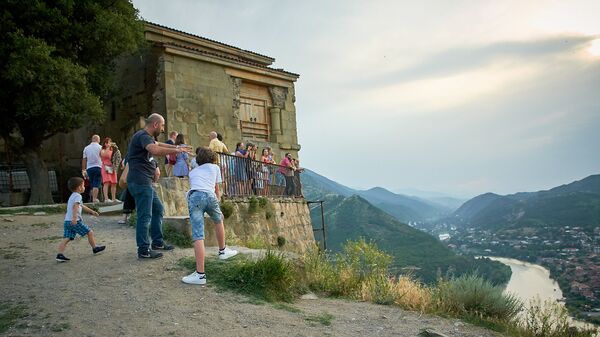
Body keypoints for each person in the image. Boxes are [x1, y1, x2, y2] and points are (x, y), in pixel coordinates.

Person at [127, 113, 191, 259]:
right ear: (155, 124)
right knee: (145, 215)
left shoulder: (146, 137)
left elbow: (159, 145)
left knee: (158, 209)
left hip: (145, 181)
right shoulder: (142, 136)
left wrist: (177, 148)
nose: (163, 129)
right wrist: (176, 150)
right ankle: (143, 250)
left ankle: (157, 242)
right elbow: (155, 150)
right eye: (162, 125)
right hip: (140, 181)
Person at [182, 147, 238, 285]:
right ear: (213, 158)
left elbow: (197, 184)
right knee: (219, 220)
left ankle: (200, 275)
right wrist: (217, 207)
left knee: (198, 234)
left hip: (195, 196)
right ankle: (223, 251)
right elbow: (216, 189)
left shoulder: (193, 172)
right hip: (210, 196)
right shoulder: (215, 168)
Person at [56, 177, 105, 262]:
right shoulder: (78, 196)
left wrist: (92, 211)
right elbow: (75, 206)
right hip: (75, 221)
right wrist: (75, 218)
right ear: (79, 187)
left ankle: (59, 254)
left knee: (67, 238)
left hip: (67, 221)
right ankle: (95, 248)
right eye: (83, 185)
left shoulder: (72, 196)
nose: (84, 187)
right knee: (90, 232)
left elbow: (82, 206)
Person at [82, 135, 102, 203]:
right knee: (96, 183)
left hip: (89, 168)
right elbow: (103, 158)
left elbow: (84, 160)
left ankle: (91, 198)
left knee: (91, 184)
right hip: (98, 167)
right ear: (97, 139)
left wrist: (83, 170)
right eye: (99, 140)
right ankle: (94, 199)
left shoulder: (86, 148)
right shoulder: (100, 147)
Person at [100, 137, 118, 202]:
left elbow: (116, 157)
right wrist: (107, 148)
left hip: (112, 167)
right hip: (105, 167)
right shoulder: (103, 150)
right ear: (105, 144)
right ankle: (106, 199)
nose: (109, 144)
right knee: (106, 182)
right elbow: (104, 155)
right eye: (107, 142)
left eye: (110, 142)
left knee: (114, 183)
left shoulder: (112, 150)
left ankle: (113, 198)